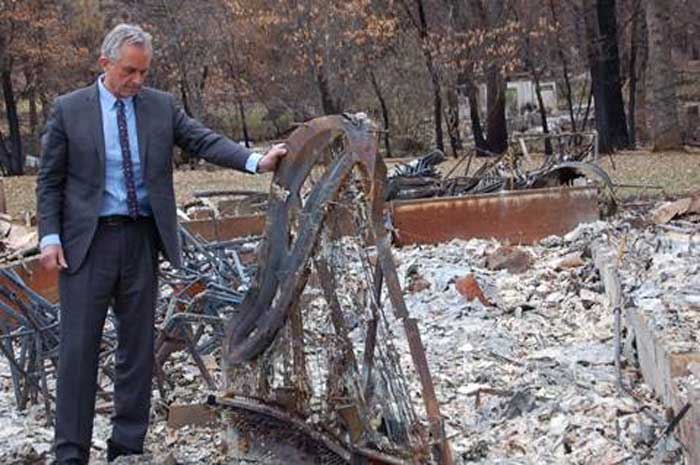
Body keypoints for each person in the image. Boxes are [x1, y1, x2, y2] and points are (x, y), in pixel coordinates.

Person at [36, 23, 286, 465]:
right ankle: (70, 453)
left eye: (143, 73)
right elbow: (50, 179)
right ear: (105, 64)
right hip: (85, 245)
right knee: (78, 349)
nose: (136, 81)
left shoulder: (160, 107)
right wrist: (50, 237)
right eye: (129, 71)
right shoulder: (69, 110)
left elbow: (203, 140)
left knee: (137, 348)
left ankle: (126, 448)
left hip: (140, 240)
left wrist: (254, 160)